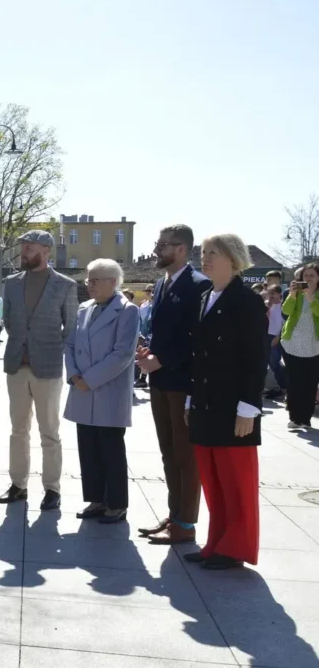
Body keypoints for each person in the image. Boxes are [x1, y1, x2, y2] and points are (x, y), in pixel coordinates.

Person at [184, 234, 266, 570]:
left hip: (234, 406)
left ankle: (236, 548)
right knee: (213, 481)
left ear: (233, 259)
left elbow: (256, 357)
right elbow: (199, 354)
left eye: (212, 253)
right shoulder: (206, 296)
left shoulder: (246, 300)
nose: (205, 259)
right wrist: (191, 397)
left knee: (236, 482)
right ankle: (216, 543)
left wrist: (249, 406)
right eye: (202, 253)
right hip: (206, 402)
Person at [136, 224, 213, 545]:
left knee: (185, 455)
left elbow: (197, 337)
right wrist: (148, 353)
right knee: (168, 452)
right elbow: (164, 331)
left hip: (183, 382)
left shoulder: (199, 285)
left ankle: (185, 523)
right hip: (160, 380)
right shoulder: (162, 282)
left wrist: (162, 359)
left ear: (181, 248)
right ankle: (174, 514)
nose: (157, 249)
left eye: (163, 245)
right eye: (158, 243)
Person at [0, 230, 79, 511]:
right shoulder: (10, 283)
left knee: (49, 431)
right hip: (16, 365)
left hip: (47, 366)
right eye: (22, 247)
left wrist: (47, 348)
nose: (24, 252)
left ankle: (52, 489)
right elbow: (8, 320)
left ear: (46, 250)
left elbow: (70, 328)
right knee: (18, 429)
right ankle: (18, 485)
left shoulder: (65, 285)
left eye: (29, 248)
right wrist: (24, 342)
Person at [64, 260, 141, 525]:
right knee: (88, 448)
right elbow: (70, 344)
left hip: (107, 389)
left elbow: (122, 354)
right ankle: (96, 499)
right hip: (82, 388)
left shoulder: (127, 311)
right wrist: (75, 375)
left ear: (113, 281)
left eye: (95, 280)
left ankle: (117, 503)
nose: (89, 284)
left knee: (110, 448)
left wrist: (90, 379)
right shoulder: (84, 308)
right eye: (88, 279)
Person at [279, 262, 319, 430]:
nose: (308, 279)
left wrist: (311, 298)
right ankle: (294, 418)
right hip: (292, 343)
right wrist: (293, 295)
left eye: (312, 276)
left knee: (310, 383)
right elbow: (285, 312)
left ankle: (306, 418)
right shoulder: (292, 292)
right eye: (305, 276)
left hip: (314, 345)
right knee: (295, 382)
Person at [265, 283, 287, 401]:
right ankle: (276, 386)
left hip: (277, 336)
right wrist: (267, 307)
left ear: (279, 294)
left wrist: (277, 337)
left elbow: (284, 324)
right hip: (266, 335)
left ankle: (284, 385)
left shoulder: (283, 307)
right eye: (269, 293)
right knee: (269, 363)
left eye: (273, 293)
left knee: (275, 362)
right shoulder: (267, 305)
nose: (271, 295)